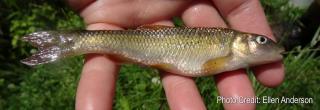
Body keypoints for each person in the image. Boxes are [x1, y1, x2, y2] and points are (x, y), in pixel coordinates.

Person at [67, 0, 285, 110]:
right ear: (242, 42)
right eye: (261, 40)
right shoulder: (230, 48)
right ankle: (74, 42)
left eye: (261, 40)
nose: (263, 42)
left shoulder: (232, 50)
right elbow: (208, 66)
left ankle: (75, 42)